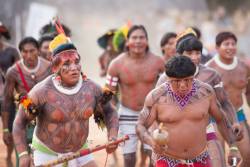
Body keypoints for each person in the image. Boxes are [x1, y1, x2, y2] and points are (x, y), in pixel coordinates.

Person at [13, 25, 119, 167]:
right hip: (47, 154)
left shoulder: (91, 88)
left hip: (81, 151)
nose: (74, 68)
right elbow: (19, 123)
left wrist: (112, 137)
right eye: (67, 64)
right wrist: (23, 154)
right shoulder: (41, 92)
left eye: (76, 62)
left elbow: (110, 111)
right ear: (55, 68)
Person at [156, 28, 243, 166]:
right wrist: (155, 139)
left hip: (206, 128)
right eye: (190, 53)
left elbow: (224, 103)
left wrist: (234, 125)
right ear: (179, 54)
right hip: (175, 134)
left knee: (218, 163)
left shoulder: (211, 75)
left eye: (198, 53)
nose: (195, 57)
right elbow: (154, 110)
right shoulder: (165, 78)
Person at [136, 55, 239, 167]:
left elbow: (221, 119)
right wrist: (152, 142)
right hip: (167, 161)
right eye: (176, 81)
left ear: (194, 76)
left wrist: (233, 146)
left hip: (201, 160)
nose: (183, 85)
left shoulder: (206, 93)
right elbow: (140, 126)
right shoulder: (156, 97)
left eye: (187, 80)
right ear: (168, 79)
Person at [106, 25, 165, 167]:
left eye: (141, 37)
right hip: (127, 114)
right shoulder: (116, 64)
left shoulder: (159, 62)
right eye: (134, 38)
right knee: (129, 158)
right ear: (127, 42)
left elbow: (168, 88)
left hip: (151, 114)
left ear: (147, 41)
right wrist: (111, 121)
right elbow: (108, 95)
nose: (138, 41)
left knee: (153, 155)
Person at [1, 37, 51, 166]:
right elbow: (7, 101)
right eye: (25, 51)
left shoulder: (49, 67)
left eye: (32, 51)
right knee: (23, 159)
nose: (28, 55)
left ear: (38, 51)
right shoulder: (14, 72)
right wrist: (6, 129)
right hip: (24, 120)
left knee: (46, 157)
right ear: (20, 52)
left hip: (47, 120)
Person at [206, 31, 250, 167]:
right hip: (216, 117)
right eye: (226, 44)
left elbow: (248, 92)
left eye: (233, 44)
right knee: (219, 161)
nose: (230, 47)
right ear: (217, 48)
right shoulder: (209, 68)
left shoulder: (244, 67)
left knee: (248, 156)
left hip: (238, 115)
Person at [0, 21, 20, 167]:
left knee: (10, 129)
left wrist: (19, 94)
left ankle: (8, 156)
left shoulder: (12, 51)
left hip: (8, 96)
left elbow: (21, 72)